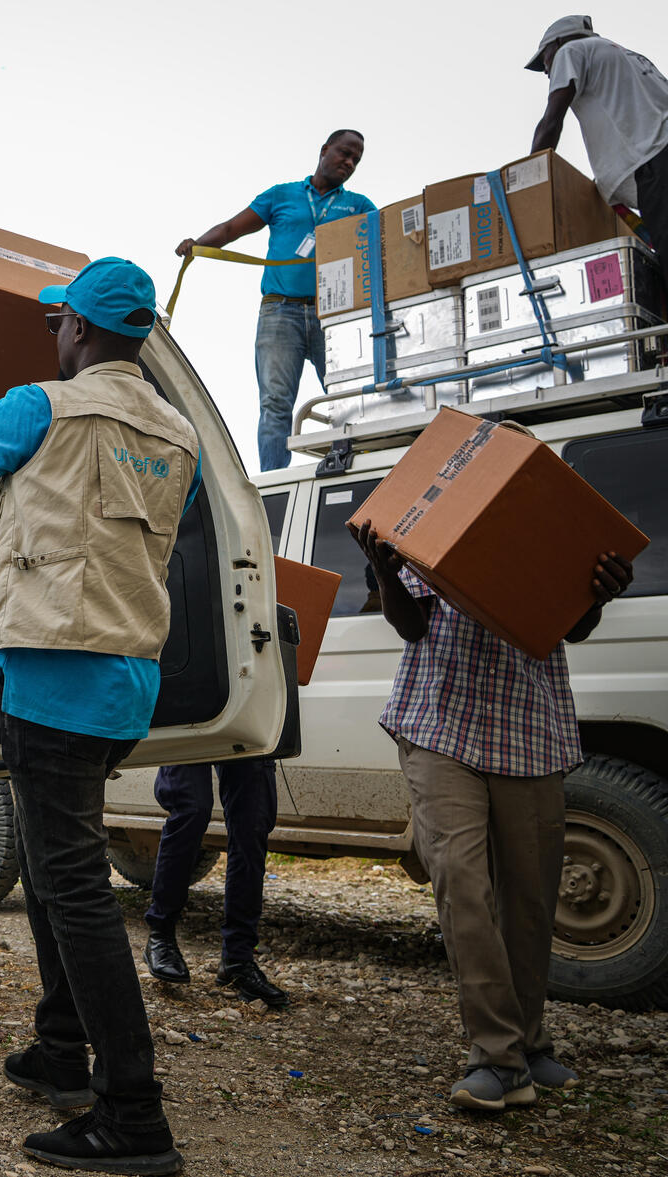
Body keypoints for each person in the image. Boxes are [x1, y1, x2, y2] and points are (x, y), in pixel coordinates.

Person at [0, 257, 199, 1176]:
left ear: (77, 328)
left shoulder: (44, 407)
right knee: (48, 856)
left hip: (52, 678)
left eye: (57, 322)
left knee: (70, 885)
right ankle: (60, 1049)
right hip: (124, 687)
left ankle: (133, 1113)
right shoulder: (178, 432)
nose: (53, 336)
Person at [349, 511, 634, 1111]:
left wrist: (599, 593)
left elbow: (573, 628)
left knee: (529, 899)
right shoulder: (435, 523)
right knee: (463, 883)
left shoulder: (556, 536)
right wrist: (383, 568)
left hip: (528, 728)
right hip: (439, 724)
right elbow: (412, 626)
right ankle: (496, 1056)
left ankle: (530, 1043)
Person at [176, 130, 372, 472]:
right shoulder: (282, 195)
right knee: (276, 404)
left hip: (334, 317)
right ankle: (273, 482)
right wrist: (198, 244)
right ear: (324, 150)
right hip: (281, 313)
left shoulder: (358, 206)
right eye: (344, 153)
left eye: (356, 159)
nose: (349, 162)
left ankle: (348, 468)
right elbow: (231, 228)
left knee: (348, 399)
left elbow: (382, 240)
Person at [141, 759, 289, 1009]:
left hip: (250, 723)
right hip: (189, 722)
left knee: (252, 823)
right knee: (190, 808)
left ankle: (237, 959)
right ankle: (160, 936)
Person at [529, 15, 668, 254]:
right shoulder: (628, 56)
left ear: (558, 42)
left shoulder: (570, 51)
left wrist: (529, 181)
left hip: (656, 164)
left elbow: (551, 122)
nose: (546, 70)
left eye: (544, 60)